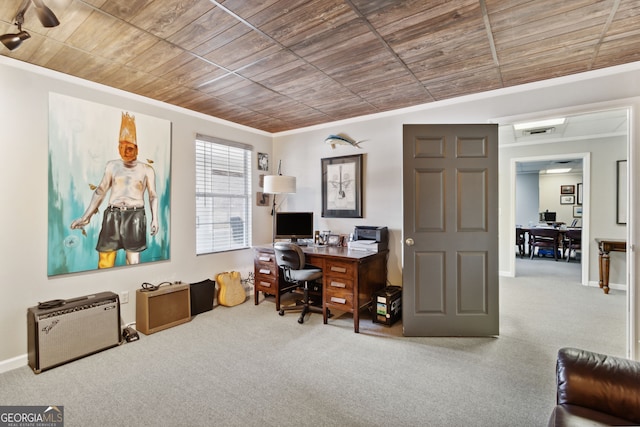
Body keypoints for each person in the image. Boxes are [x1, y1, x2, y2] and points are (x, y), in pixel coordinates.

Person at [71, 112, 158, 268]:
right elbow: (100, 191)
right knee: (105, 262)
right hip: (112, 215)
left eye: (129, 148)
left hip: (135, 217)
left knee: (133, 263)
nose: (125, 151)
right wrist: (86, 216)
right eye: (122, 147)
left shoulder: (146, 170)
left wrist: (155, 219)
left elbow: (152, 196)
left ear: (137, 149)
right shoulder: (112, 166)